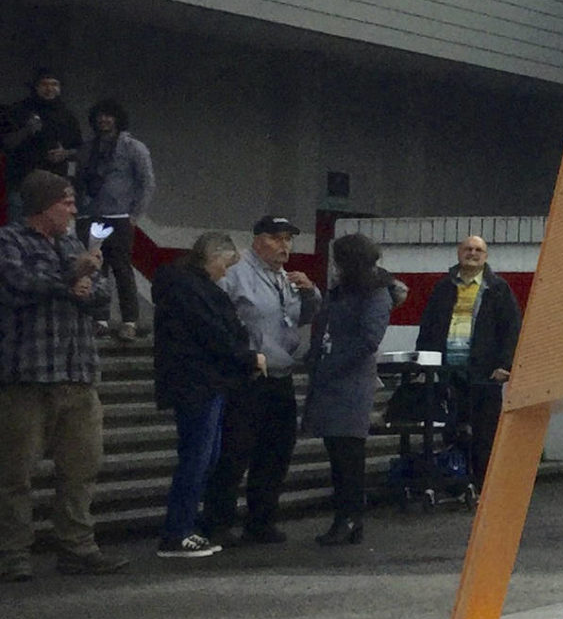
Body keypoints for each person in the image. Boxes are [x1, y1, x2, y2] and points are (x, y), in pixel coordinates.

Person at [0, 169, 123, 579]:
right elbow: (17, 283)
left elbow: (102, 292)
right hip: (27, 378)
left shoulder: (74, 243)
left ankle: (77, 546)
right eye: (66, 202)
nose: (73, 209)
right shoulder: (9, 241)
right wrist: (73, 276)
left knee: (81, 470)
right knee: (13, 474)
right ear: (42, 205)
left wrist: (88, 284)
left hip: (78, 374)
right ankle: (12, 553)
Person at [205, 215, 319, 543]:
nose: (284, 246)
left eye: (288, 239)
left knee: (277, 450)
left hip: (280, 373)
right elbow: (216, 316)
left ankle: (261, 519)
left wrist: (310, 293)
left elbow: (302, 318)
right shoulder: (237, 272)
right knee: (235, 450)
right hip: (246, 375)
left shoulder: (286, 277)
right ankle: (217, 521)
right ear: (258, 240)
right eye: (276, 238)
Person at [151, 233, 261, 558]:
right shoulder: (193, 290)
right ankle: (177, 531)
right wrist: (246, 358)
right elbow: (215, 334)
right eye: (225, 264)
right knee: (198, 458)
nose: (225, 272)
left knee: (204, 457)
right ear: (213, 258)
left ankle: (184, 526)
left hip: (200, 381)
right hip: (198, 382)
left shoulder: (183, 286)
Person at [303, 233, 403, 545]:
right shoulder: (344, 290)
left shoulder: (374, 294)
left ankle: (349, 517)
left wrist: (331, 364)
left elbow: (368, 339)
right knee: (338, 451)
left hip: (350, 381)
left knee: (348, 453)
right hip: (332, 376)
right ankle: (347, 517)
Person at [414, 235, 521, 490]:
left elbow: (511, 329)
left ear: (485, 256)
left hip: (485, 374)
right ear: (458, 253)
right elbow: (428, 326)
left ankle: (485, 487)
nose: (472, 253)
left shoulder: (498, 288)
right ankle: (457, 482)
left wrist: (506, 365)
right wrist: (422, 363)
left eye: (478, 250)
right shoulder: (443, 287)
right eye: (467, 249)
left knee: (485, 434)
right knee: (452, 430)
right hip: (448, 372)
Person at [75, 98, 156, 341]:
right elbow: (78, 177)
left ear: (118, 119)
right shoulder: (87, 147)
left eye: (109, 115)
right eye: (100, 115)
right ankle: (99, 319)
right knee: (94, 268)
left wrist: (134, 216)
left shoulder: (134, 147)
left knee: (122, 269)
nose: (104, 120)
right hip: (90, 215)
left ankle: (129, 320)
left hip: (120, 217)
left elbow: (147, 182)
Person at [3, 70, 83, 216]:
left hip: (55, 187)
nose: (49, 89)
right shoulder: (17, 111)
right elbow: (6, 144)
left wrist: (65, 154)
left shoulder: (67, 115)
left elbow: (79, 149)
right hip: (22, 185)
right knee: (20, 233)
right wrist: (27, 130)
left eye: (54, 84)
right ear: (35, 87)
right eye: (44, 84)